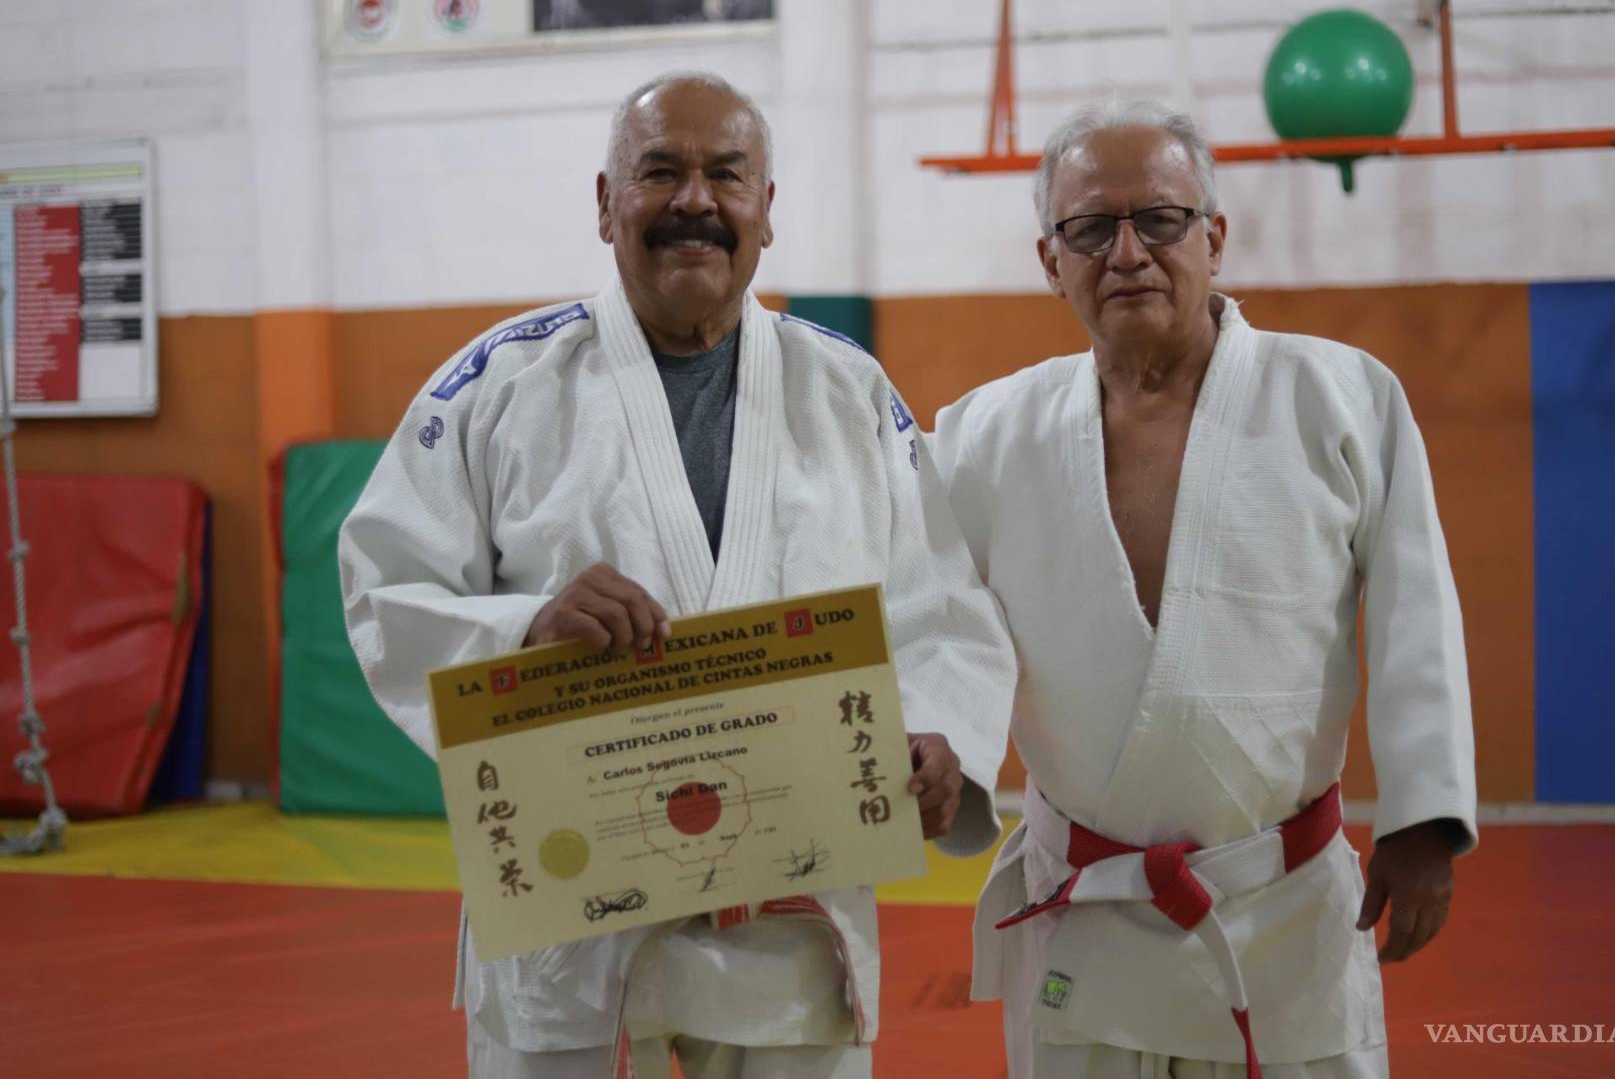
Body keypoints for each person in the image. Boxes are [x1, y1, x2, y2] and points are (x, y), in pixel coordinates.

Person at [340, 71, 1015, 1079]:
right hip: (574, 915)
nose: (693, 201)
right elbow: (385, 587)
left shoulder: (847, 389)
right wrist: (525, 627)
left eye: (725, 175)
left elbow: (941, 608)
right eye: (659, 172)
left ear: (766, 211)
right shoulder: (498, 384)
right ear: (605, 202)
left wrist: (937, 738)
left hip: (789, 923)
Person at [930, 97, 1478, 1078]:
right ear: (1049, 260)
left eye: (1161, 220)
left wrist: (1423, 814)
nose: (1127, 252)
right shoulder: (980, 435)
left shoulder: (1339, 398)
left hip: (1280, 904)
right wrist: (939, 746)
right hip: (1085, 907)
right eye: (1089, 228)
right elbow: (935, 622)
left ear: (1214, 237)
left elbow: (1413, 609)